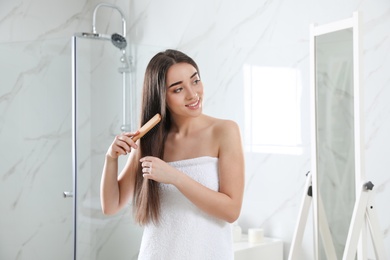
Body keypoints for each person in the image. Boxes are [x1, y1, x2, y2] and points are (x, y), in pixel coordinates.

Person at [100, 49, 245, 259]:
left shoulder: (224, 131)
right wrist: (110, 158)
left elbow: (231, 211)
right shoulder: (149, 140)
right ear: (161, 96)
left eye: (195, 81)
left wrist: (175, 177)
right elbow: (111, 206)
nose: (193, 94)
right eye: (178, 89)